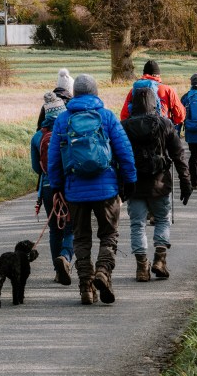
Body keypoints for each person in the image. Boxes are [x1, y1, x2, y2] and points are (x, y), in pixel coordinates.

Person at [48, 74, 138, 305]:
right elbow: (124, 152)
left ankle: (86, 287)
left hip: (75, 190)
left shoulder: (63, 119)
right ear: (96, 92)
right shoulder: (106, 117)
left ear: (75, 93)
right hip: (106, 189)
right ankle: (103, 273)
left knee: (81, 238)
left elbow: (54, 158)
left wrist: (57, 186)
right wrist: (130, 181)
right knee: (109, 234)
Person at [122, 87, 192, 282]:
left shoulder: (124, 126)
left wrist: (119, 187)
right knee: (162, 220)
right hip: (160, 184)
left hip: (134, 186)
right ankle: (160, 260)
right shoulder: (165, 124)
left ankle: (141, 268)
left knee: (137, 225)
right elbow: (179, 156)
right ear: (155, 103)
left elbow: (117, 158)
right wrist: (186, 182)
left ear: (133, 104)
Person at [31, 92, 74, 286]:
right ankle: (65, 256)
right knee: (71, 227)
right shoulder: (70, 127)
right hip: (71, 186)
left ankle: (58, 271)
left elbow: (35, 168)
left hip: (48, 188)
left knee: (55, 230)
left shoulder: (37, 136)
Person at [120, 60, 185, 126]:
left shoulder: (134, 90)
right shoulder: (167, 90)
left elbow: (124, 115)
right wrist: (170, 123)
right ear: (158, 75)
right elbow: (180, 114)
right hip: (161, 129)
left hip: (138, 130)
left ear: (144, 74)